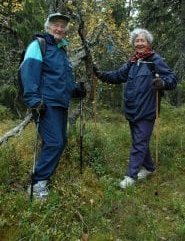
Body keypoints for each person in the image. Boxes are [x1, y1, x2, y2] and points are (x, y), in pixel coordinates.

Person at [93, 28, 177, 189]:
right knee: (139, 141)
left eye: (142, 41)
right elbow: (118, 76)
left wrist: (163, 83)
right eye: (137, 41)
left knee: (139, 142)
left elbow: (171, 78)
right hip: (132, 110)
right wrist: (100, 74)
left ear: (148, 43)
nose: (139, 43)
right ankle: (150, 169)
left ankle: (130, 176)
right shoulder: (132, 62)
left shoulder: (155, 60)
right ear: (133, 44)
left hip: (147, 110)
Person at [20, 13, 86, 199]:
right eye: (55, 25)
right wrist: (33, 100)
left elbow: (60, 81)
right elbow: (29, 72)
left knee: (59, 142)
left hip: (60, 103)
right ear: (48, 27)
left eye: (62, 26)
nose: (59, 28)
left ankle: (42, 179)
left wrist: (75, 91)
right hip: (45, 103)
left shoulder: (61, 50)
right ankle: (36, 185)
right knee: (54, 142)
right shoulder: (38, 46)